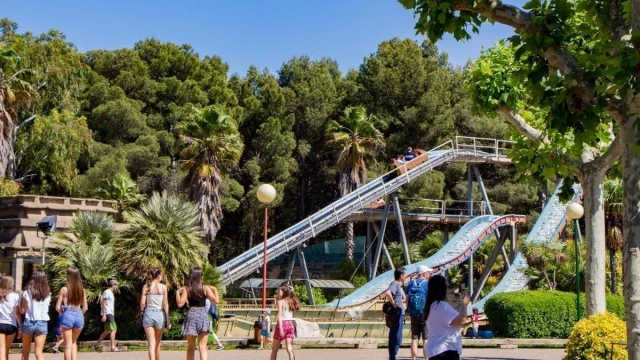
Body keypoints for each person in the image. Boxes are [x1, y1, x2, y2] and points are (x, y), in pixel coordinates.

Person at [176, 267, 219, 360]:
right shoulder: (205, 288)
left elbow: (180, 304)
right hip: (202, 315)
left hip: (191, 314)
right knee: (203, 347)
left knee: (191, 347)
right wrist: (215, 290)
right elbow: (216, 301)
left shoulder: (187, 289)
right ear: (201, 276)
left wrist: (177, 293)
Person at [424, 275, 470, 360]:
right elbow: (462, 321)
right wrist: (464, 305)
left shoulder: (430, 306)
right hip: (446, 349)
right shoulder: (442, 306)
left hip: (434, 350)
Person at [56, 267, 88, 360]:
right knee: (74, 342)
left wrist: (63, 313)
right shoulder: (82, 290)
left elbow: (58, 307)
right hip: (79, 315)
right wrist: (79, 314)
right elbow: (85, 307)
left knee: (67, 345)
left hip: (67, 314)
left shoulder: (64, 290)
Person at [140, 267, 171, 360]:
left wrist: (142, 311)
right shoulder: (163, 287)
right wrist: (168, 319)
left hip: (148, 313)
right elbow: (165, 303)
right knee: (158, 343)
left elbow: (142, 303)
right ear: (158, 275)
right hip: (159, 313)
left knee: (151, 344)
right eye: (161, 275)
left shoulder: (146, 287)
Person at [20, 270, 51, 360]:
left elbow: (22, 310)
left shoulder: (27, 292)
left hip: (29, 322)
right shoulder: (47, 293)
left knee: (25, 352)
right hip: (42, 322)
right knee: (39, 352)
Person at [406, 265, 433, 360]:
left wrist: (409, 310)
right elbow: (430, 300)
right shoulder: (427, 284)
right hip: (424, 314)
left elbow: (407, 299)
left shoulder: (410, 284)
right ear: (424, 273)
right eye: (429, 273)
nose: (429, 275)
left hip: (414, 314)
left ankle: (414, 358)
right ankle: (426, 358)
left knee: (414, 338)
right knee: (426, 339)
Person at [269, 285, 301, 360]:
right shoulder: (292, 301)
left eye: (280, 292)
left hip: (282, 323)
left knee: (274, 349)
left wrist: (280, 328)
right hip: (290, 324)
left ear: (284, 293)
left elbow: (279, 315)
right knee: (289, 348)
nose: (278, 293)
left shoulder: (281, 302)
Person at [383, 266, 407, 360]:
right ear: (401, 275)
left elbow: (404, 298)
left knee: (398, 337)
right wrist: (394, 304)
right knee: (395, 336)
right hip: (396, 314)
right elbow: (388, 293)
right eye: (405, 274)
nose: (406, 276)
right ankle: (392, 356)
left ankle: (393, 356)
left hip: (400, 313)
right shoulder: (395, 283)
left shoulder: (399, 285)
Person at [94, 279, 119, 352]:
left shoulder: (110, 293)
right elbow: (103, 302)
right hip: (108, 313)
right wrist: (104, 314)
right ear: (113, 285)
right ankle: (113, 347)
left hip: (110, 312)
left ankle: (96, 345)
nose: (117, 286)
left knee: (107, 331)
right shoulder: (107, 292)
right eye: (116, 285)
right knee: (114, 329)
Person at [0, 275, 21, 360]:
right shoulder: (15, 296)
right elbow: (17, 313)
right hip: (11, 326)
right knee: (6, 350)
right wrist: (20, 326)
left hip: (0, 323)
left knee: (1, 351)